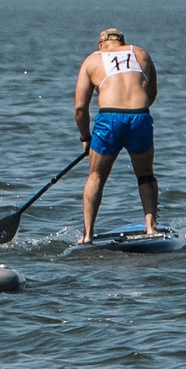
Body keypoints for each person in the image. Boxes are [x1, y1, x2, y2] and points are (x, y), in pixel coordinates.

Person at [75, 28, 159, 241]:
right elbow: (151, 94)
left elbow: (80, 109)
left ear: (101, 44)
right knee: (145, 175)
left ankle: (87, 235)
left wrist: (85, 138)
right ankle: (151, 228)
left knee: (96, 176)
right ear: (122, 42)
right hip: (140, 116)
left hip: (110, 119)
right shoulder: (141, 53)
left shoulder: (93, 60)